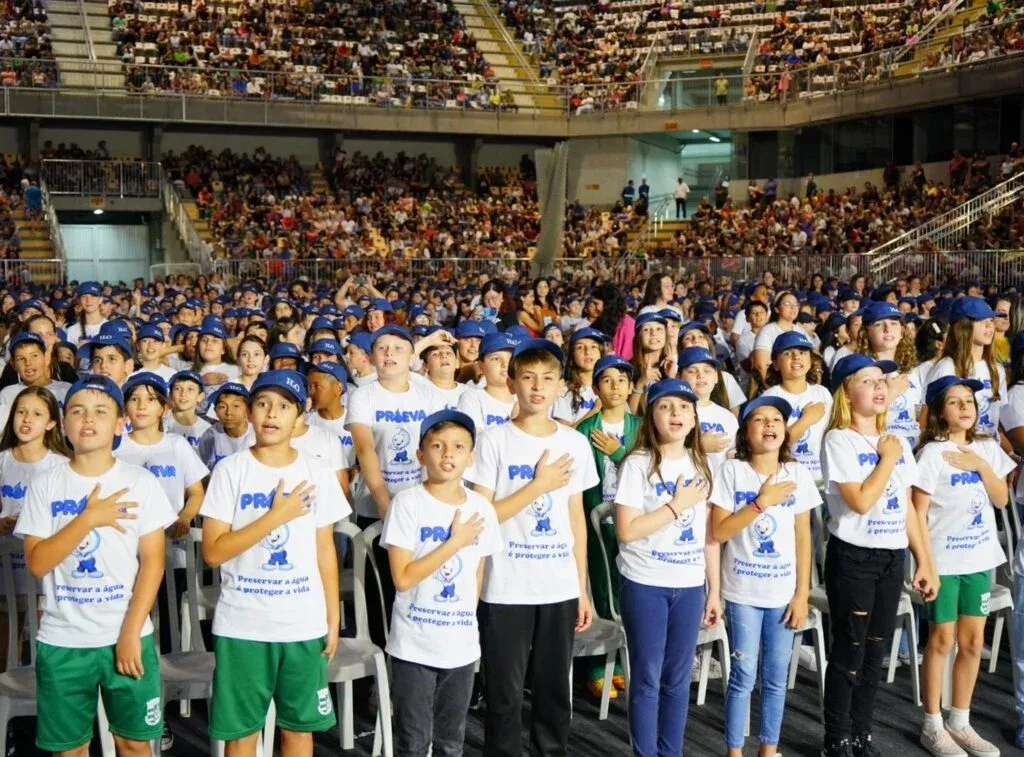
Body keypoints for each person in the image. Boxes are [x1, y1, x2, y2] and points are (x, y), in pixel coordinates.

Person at [17, 375, 177, 755]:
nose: (88, 420)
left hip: (127, 633)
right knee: (70, 748)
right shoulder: (45, 485)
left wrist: (130, 634)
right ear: (65, 423)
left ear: (120, 422)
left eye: (101, 412)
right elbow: (38, 563)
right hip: (63, 641)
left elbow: (153, 564)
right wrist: (87, 518)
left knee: (135, 745)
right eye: (78, 411)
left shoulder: (140, 482)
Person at [201, 369, 349, 756]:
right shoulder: (230, 471)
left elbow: (325, 550)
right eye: (263, 404)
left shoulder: (316, 471)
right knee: (241, 733)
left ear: (300, 417)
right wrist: (274, 517)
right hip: (243, 623)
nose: (271, 414)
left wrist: (332, 619)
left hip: (302, 622)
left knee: (299, 731)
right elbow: (213, 551)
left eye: (284, 406)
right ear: (250, 412)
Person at [466, 338, 597, 757]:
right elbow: (482, 516)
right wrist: (537, 486)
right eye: (527, 378)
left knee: (554, 691)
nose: (537, 387)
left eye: (547, 379)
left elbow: (577, 519)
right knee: (503, 695)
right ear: (512, 383)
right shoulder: (493, 441)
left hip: (558, 585)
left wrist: (583, 587)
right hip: (506, 586)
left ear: (562, 386)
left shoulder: (574, 443)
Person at [820, 354, 938, 757]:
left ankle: (861, 732)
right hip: (854, 557)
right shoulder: (840, 439)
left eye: (881, 381)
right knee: (849, 651)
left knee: (876, 649)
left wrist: (925, 560)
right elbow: (861, 501)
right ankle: (836, 737)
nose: (879, 387)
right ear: (848, 393)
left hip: (891, 557)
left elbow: (906, 506)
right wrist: (887, 459)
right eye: (867, 381)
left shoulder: (897, 441)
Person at [381, 409, 501, 757]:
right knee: (413, 742)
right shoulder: (407, 504)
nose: (448, 454)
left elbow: (477, 571)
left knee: (451, 742)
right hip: (413, 644)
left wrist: (464, 620)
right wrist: (453, 542)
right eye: (437, 445)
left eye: (458, 446)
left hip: (460, 644)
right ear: (421, 453)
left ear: (471, 456)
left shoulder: (482, 508)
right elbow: (402, 578)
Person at [613, 378, 721, 756]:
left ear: (695, 418)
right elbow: (626, 531)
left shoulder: (703, 464)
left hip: (690, 584)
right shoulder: (637, 464)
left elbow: (709, 536)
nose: (675, 414)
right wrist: (676, 505)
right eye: (665, 406)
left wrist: (714, 591)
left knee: (677, 680)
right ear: (650, 416)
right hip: (646, 582)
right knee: (646, 678)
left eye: (683, 407)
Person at [711, 395, 818, 757]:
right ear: (746, 431)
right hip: (742, 592)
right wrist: (762, 501)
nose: (769, 425)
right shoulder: (731, 471)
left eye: (776, 419)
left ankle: (768, 749)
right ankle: (734, 750)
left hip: (783, 594)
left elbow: (804, 537)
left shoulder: (797, 473)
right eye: (760, 419)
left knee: (775, 680)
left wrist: (802, 593)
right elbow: (720, 532)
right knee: (742, 677)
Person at [912, 376, 1013, 757]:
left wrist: (979, 466)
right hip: (944, 561)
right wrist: (925, 563)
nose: (965, 407)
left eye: (968, 400)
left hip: (979, 559)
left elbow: (1002, 499)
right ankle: (932, 724)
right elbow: (917, 514)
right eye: (954, 402)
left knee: (972, 642)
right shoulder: (931, 453)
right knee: (942, 641)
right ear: (939, 411)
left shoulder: (985, 449)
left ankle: (961, 720)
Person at [575, 355, 639, 700]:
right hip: (597, 522)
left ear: (631, 386)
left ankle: (626, 659)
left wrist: (620, 453)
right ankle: (599, 666)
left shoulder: (641, 426)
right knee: (600, 590)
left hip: (633, 523)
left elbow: (648, 470)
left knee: (628, 589)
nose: (615, 386)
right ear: (596, 387)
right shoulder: (586, 430)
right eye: (607, 380)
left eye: (621, 380)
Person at [0, 386, 70, 667]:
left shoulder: (62, 466)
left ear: (52, 422)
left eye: (37, 414)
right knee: (6, 651)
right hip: (5, 572)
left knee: (45, 651)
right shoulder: (2, 460)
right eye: (21, 412)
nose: (27, 420)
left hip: (45, 574)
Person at [927, 297, 1004, 437]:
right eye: (981, 320)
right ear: (963, 327)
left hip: (990, 450)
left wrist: (1010, 454)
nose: (990, 326)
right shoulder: (946, 367)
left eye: (991, 320)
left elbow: (997, 424)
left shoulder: (997, 369)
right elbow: (928, 419)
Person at [678, 347, 738, 475]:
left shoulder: (728, 416)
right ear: (679, 377)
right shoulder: (675, 413)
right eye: (692, 371)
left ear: (716, 377)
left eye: (707, 370)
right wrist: (699, 446)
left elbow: (734, 449)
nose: (701, 375)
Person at [457, 332, 516, 432]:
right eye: (496, 358)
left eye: (510, 358)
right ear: (481, 366)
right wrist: (515, 424)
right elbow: (476, 442)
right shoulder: (472, 398)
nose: (505, 364)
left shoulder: (525, 398)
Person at [554, 328, 605, 425]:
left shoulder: (609, 387)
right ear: (572, 355)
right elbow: (563, 435)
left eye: (593, 347)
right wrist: (595, 410)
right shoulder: (564, 391)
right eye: (580, 347)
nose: (587, 352)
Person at [197, 381, 253, 469]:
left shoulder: (258, 436)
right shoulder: (210, 435)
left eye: (236, 406)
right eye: (222, 407)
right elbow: (203, 471)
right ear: (215, 410)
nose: (229, 412)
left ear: (248, 410)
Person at [164, 370, 212, 449]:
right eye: (177, 388)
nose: (183, 394)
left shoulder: (207, 430)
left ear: (200, 396)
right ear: (170, 395)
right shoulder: (158, 424)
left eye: (190, 389)